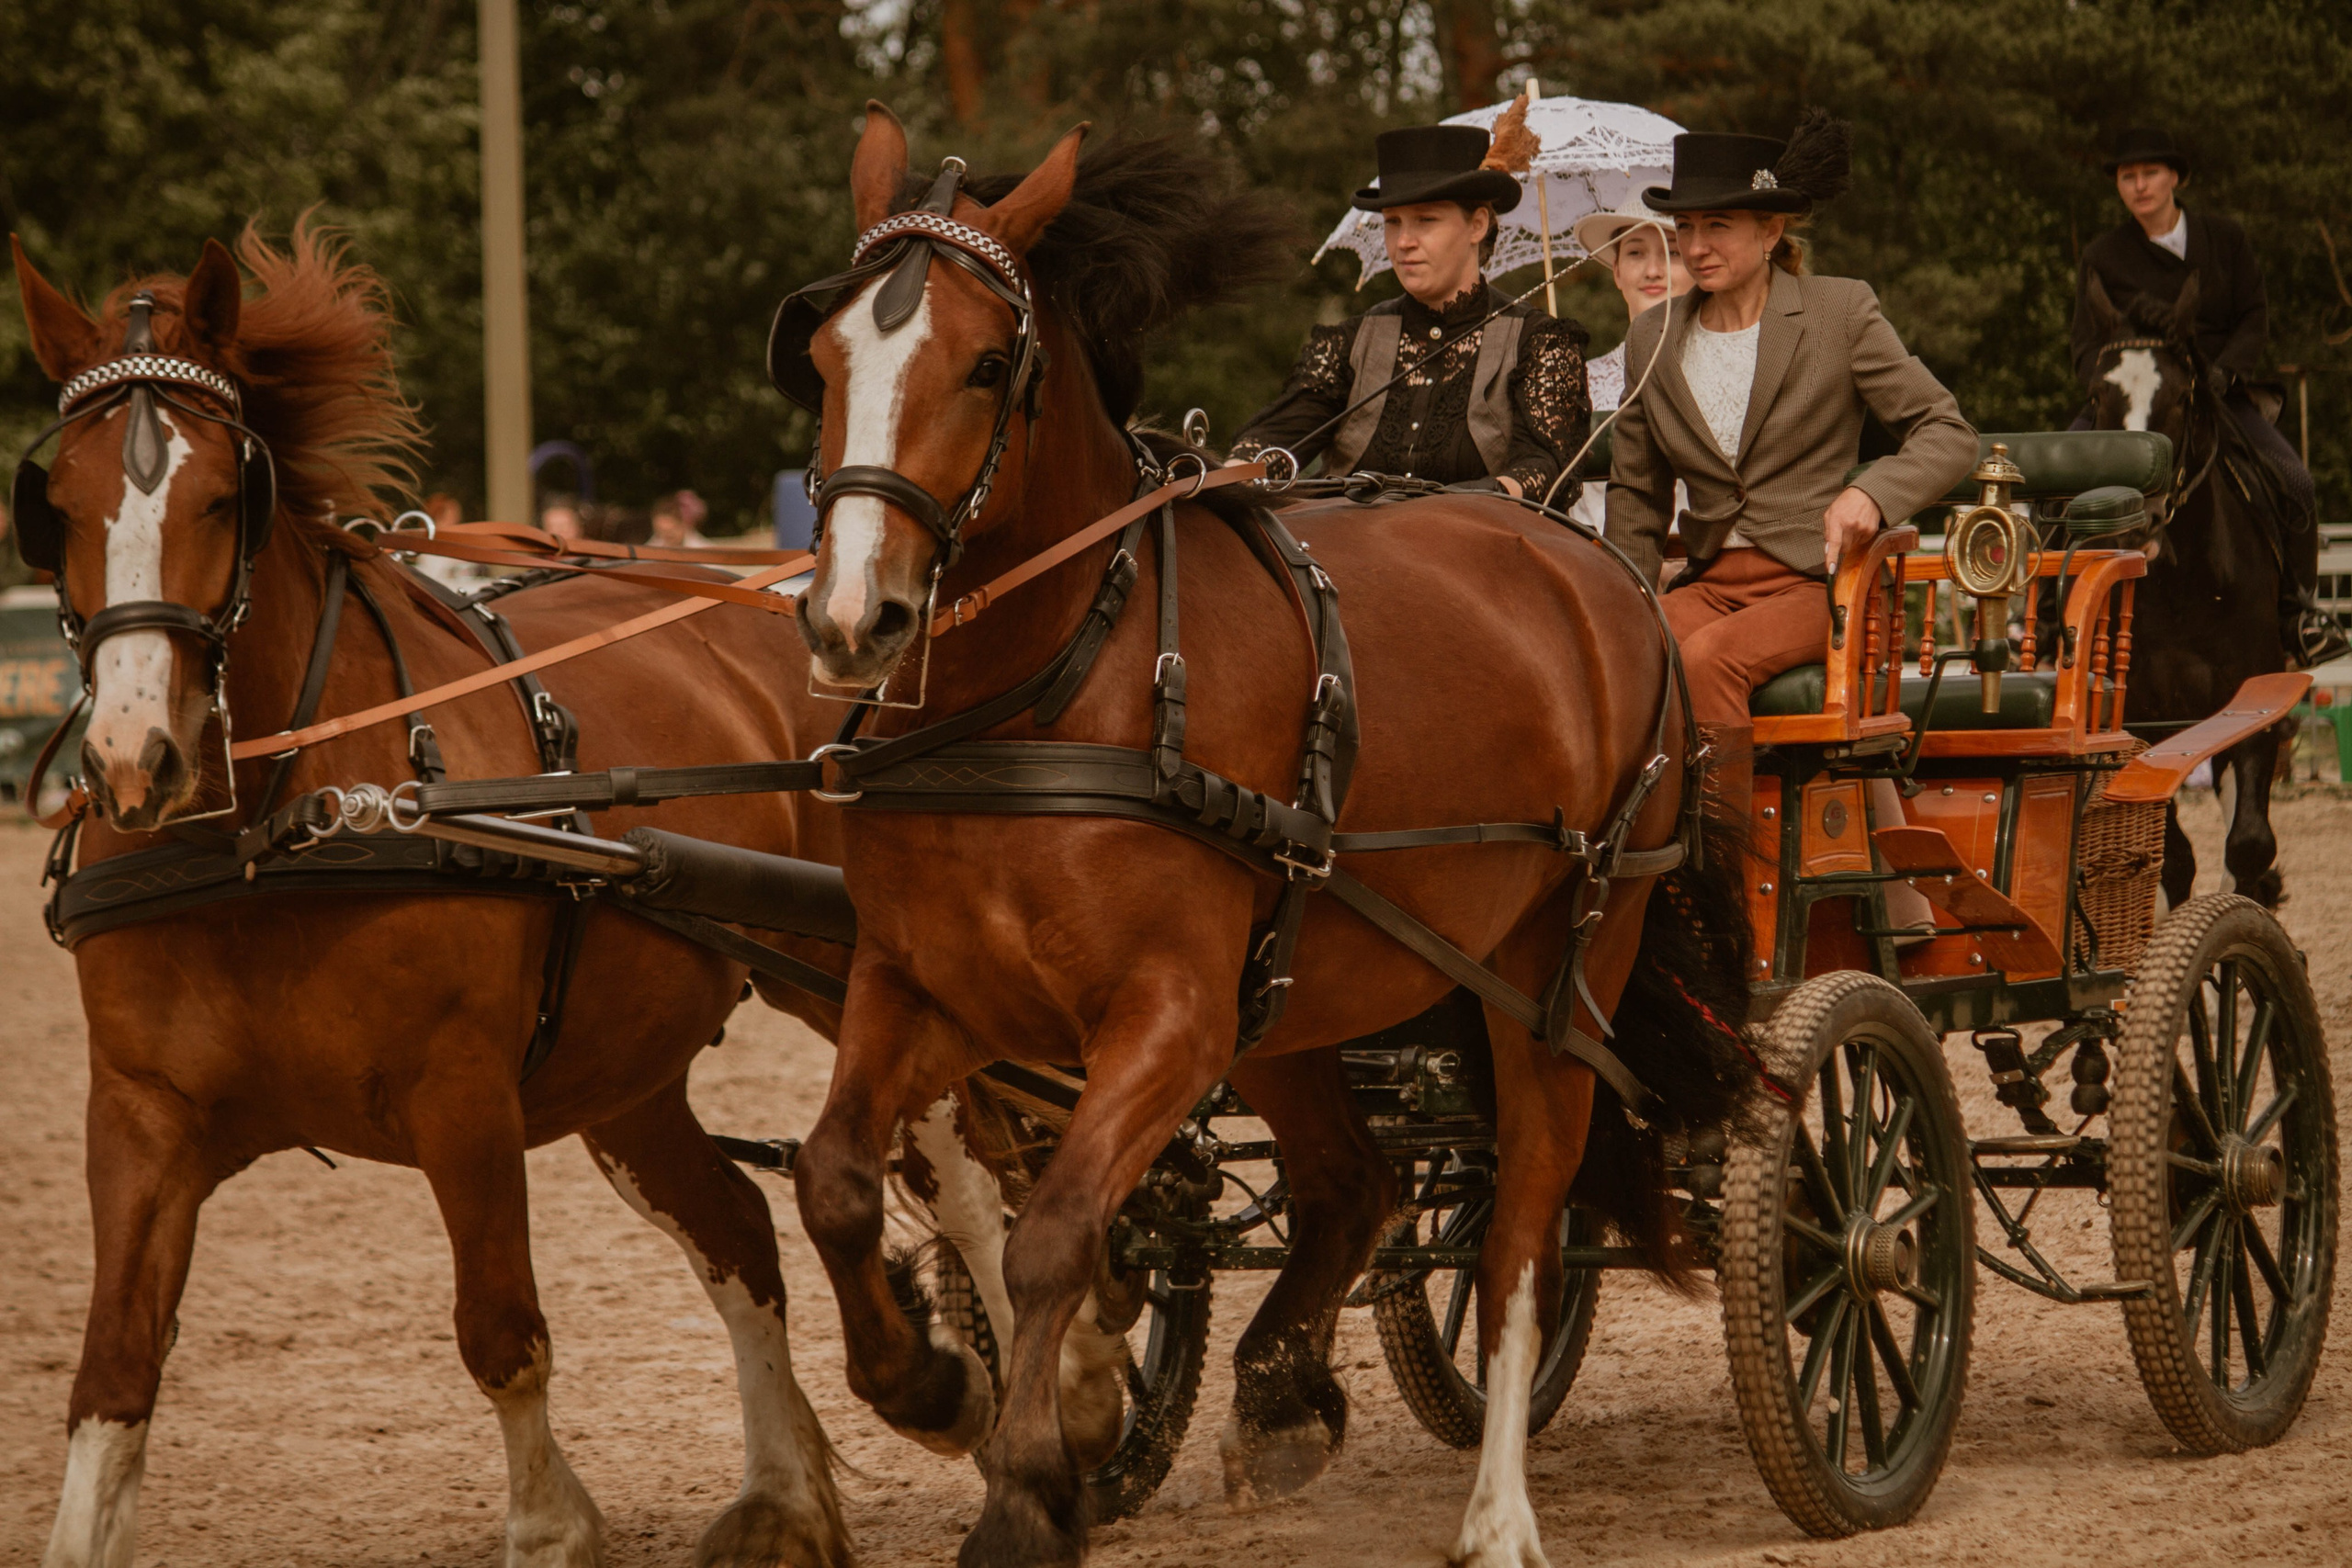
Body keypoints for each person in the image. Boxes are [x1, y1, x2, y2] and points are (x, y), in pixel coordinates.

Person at [1609, 111, 1978, 727]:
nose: (1695, 248)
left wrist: (1871, 494)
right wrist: (1623, 601)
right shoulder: (1652, 336)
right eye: (1685, 227)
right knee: (1622, 654)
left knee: (1706, 661)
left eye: (1718, 225)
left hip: (1822, 587)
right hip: (1711, 582)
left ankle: (1719, 829)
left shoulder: (1841, 312)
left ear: (1771, 228)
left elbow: (1948, 432)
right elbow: (1636, 494)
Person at [2069, 127, 2344, 665]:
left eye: (2149, 174)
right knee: (2051, 480)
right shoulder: (2103, 255)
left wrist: (2225, 373)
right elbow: (2084, 342)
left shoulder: (2226, 238)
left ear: (2175, 177)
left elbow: (2253, 316)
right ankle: (2047, 613)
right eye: (2128, 177)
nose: (2139, 186)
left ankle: (2298, 614)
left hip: (2217, 390)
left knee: (2296, 480)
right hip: (2130, 399)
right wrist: (2103, 389)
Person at [1229, 123, 1589, 497]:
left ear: (1477, 224)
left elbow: (1543, 468)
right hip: (1343, 549)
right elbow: (1279, 436)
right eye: (1392, 223)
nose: (1403, 242)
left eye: (1426, 220)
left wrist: (1454, 509)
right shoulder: (1349, 343)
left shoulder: (1539, 344)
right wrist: (1225, 477)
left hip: (1478, 546)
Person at [1569, 197, 1694, 531]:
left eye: (1672, 253)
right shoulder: (1576, 382)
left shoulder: (1730, 371)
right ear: (1617, 271)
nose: (1653, 271)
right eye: (1636, 253)